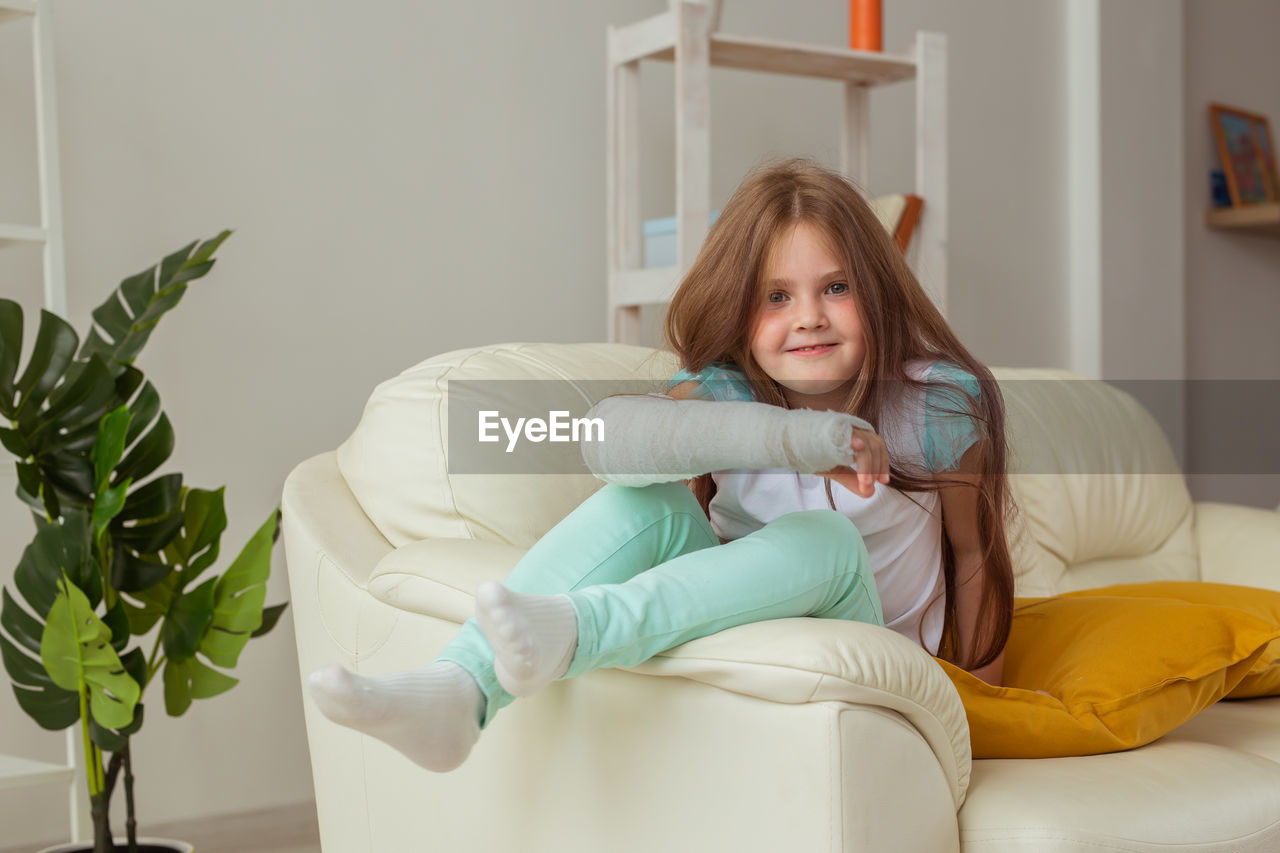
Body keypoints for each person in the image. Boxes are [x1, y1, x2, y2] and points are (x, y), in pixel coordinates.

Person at [307, 157, 1016, 773]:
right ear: (740, 312)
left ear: (878, 290)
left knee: (827, 542)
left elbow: (974, 554)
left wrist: (979, 710)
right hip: (739, 640)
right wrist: (797, 440)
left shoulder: (934, 405)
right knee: (643, 503)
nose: (808, 317)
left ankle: (576, 628)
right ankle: (460, 689)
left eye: (836, 288)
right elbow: (610, 440)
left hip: (871, 664)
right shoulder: (729, 390)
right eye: (776, 296)